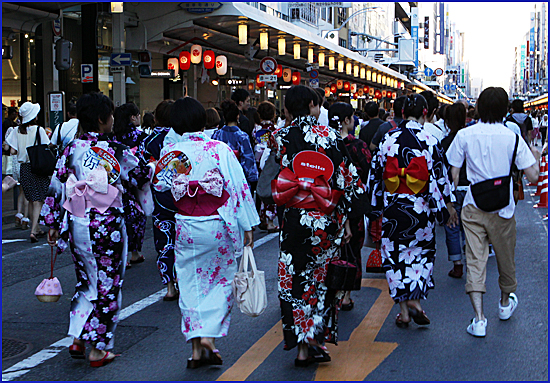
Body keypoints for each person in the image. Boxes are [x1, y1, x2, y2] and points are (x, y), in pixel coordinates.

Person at [42, 92, 153, 367]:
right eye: (111, 116)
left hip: (77, 221)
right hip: (106, 225)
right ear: (104, 119)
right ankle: (98, 347)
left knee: (86, 281)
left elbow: (56, 187)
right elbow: (139, 175)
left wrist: (53, 222)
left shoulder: (71, 149)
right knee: (108, 284)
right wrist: (152, 166)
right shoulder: (114, 150)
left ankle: (79, 336)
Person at [155, 96, 260, 368]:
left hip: (186, 225)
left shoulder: (172, 153)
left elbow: (160, 189)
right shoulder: (219, 149)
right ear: (203, 120)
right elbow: (237, 187)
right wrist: (247, 223)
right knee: (220, 280)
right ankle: (209, 338)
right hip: (217, 223)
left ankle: (195, 350)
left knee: (190, 284)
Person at [272, 85, 361, 367]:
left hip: (294, 218)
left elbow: (274, 172)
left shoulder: (280, 138)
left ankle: (300, 345)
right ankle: (315, 340)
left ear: (287, 109)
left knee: (294, 279)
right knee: (322, 279)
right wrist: (346, 219)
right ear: (313, 105)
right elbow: (346, 181)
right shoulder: (333, 137)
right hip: (324, 217)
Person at [446, 87, 540, 338]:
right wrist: (537, 156)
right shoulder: (513, 137)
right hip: (503, 208)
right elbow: (532, 175)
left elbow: (453, 174)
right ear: (504, 109)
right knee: (505, 259)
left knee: (475, 261)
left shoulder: (465, 135)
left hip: (473, 205)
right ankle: (505, 304)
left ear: (479, 107)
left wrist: (451, 203)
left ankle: (478, 319)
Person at [367, 94, 457, 328]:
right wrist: (447, 206)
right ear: (426, 112)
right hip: (421, 208)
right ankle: (416, 300)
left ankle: (404, 311)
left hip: (394, 208)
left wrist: (375, 206)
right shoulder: (430, 139)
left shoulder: (388, 139)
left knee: (395, 257)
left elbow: (375, 176)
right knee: (421, 255)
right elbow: (440, 176)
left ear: (402, 113)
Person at [328, 101, 371, 311]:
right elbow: (367, 169)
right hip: (353, 202)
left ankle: (331, 291)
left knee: (331, 246)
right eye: (352, 118)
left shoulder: (325, 143)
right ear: (346, 120)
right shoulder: (357, 146)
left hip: (328, 202)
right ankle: (345, 295)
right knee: (353, 247)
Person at [139, 99, 180, 301]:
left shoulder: (148, 142)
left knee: (164, 240)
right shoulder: (182, 138)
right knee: (184, 239)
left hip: (159, 197)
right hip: (183, 196)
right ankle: (184, 280)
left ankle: (170, 286)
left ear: (156, 118)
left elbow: (141, 172)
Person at [5, 102, 51, 242]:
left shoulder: (17, 130)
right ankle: (33, 231)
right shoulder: (39, 130)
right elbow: (46, 145)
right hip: (37, 167)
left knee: (30, 199)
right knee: (38, 200)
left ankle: (36, 227)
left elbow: (11, 150)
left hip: (23, 168)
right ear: (34, 116)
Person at [111, 102, 149, 267]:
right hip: (133, 182)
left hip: (114, 182)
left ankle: (122, 254)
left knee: (119, 217)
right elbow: (144, 159)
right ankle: (135, 252)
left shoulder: (113, 136)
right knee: (136, 216)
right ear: (132, 117)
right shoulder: (140, 137)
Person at [441, 102, 469, 278]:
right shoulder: (471, 138)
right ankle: (472, 260)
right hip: (472, 189)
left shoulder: (444, 143)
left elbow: (444, 170)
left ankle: (457, 264)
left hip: (453, 188)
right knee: (472, 227)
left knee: (452, 225)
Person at [212, 100, 258, 187]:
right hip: (239, 179)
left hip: (221, 179)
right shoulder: (242, 136)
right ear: (238, 116)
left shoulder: (217, 135)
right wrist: (252, 177)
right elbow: (248, 160)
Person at [253, 100, 279, 232]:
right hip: (270, 162)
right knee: (270, 191)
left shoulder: (256, 130)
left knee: (260, 190)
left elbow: (257, 148)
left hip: (258, 163)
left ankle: (261, 217)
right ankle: (269, 221)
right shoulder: (275, 130)